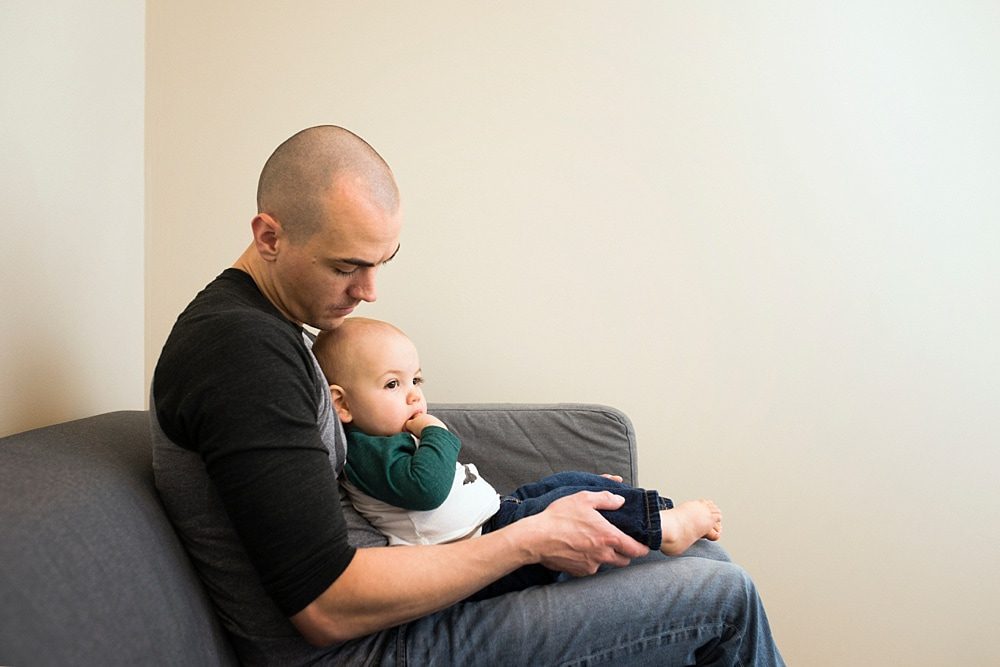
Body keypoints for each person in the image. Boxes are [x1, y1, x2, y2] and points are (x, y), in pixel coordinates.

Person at [151, 124, 785, 665]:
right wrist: (530, 538)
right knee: (724, 599)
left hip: (402, 604)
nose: (369, 290)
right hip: (371, 648)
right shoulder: (241, 355)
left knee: (703, 553)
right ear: (269, 237)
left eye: (382, 263)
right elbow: (326, 607)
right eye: (346, 267)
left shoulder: (271, 335)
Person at [313, 316, 725, 598]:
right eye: (391, 384)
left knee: (567, 483)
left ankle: (642, 508)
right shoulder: (365, 451)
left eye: (415, 379)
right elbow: (427, 488)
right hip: (481, 548)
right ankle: (666, 526)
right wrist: (436, 432)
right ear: (342, 405)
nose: (414, 394)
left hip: (495, 514)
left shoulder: (390, 434)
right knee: (568, 504)